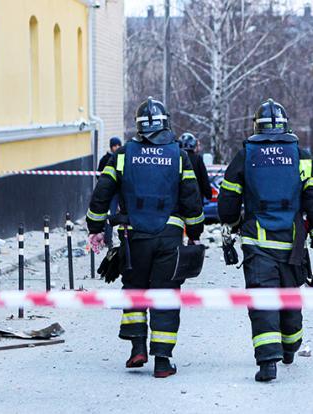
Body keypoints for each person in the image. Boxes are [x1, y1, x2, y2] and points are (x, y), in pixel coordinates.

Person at [86, 97, 204, 378]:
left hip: (134, 237)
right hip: (169, 237)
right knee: (166, 294)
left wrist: (95, 227)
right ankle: (162, 360)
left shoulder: (124, 154)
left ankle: (137, 348)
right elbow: (191, 199)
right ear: (165, 123)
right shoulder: (179, 155)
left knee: (135, 289)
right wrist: (194, 233)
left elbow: (102, 192)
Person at [218, 98, 313, 382]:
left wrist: (232, 224)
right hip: (292, 245)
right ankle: (290, 348)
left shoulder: (246, 155)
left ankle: (268, 362)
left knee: (262, 300)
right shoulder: (302, 157)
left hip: (257, 243)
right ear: (285, 126)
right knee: (290, 297)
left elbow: (228, 201)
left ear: (256, 126)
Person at [97, 137, 122, 248]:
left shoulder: (121, 158)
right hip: (107, 193)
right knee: (107, 215)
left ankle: (112, 239)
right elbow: (98, 175)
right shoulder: (105, 159)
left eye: (118, 145)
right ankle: (107, 238)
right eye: (115, 146)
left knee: (115, 215)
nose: (117, 147)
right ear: (111, 147)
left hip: (117, 192)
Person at [179, 132, 213, 201]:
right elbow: (204, 179)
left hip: (178, 199)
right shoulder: (197, 159)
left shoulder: (176, 158)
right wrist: (208, 195)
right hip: (195, 198)